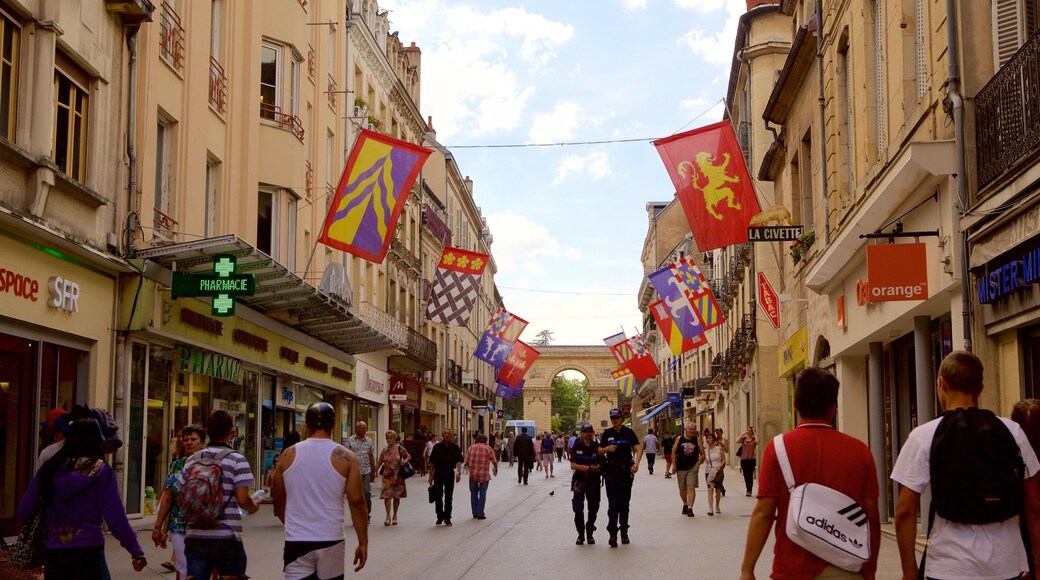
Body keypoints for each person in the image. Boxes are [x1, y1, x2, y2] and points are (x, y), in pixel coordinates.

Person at [892, 351, 1040, 580]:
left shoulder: (924, 436)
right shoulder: (1013, 432)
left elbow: (904, 511)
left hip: (950, 567)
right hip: (1006, 565)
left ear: (941, 384)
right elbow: (1034, 507)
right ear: (981, 387)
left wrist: (909, 571)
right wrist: (1037, 563)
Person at [740, 368, 880, 580]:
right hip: (846, 568)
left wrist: (747, 569)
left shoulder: (778, 448)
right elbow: (872, 519)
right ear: (833, 407)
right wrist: (869, 571)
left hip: (791, 569)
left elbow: (764, 514)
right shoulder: (861, 452)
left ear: (795, 405)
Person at [19, 416, 147, 578]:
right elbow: (115, 517)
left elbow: (24, 510)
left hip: (54, 550)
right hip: (89, 549)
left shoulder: (49, 469)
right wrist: (135, 550)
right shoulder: (101, 472)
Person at [271, 402, 368, 577]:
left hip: (297, 540)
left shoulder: (287, 456)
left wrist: (293, 525)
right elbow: (357, 502)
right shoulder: (347, 458)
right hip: (331, 538)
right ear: (333, 425)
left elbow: (278, 499)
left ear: (306, 425)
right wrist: (363, 542)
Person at [176, 410, 261, 579]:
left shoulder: (192, 460)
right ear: (232, 432)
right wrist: (254, 506)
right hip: (227, 536)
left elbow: (180, 498)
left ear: (207, 431)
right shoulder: (237, 460)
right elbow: (243, 500)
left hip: (195, 535)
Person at [152, 424, 206, 579]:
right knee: (183, 567)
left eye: (193, 439)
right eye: (186, 439)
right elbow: (168, 499)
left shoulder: (210, 465)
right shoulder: (176, 465)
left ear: (202, 442)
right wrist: (158, 528)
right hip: (178, 525)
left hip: (204, 527)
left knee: (201, 568)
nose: (189, 442)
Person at [598, 408, 642, 548]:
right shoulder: (607, 433)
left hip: (625, 472)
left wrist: (636, 464)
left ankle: (624, 532)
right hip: (611, 472)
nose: (614, 420)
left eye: (617, 417)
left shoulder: (628, 432)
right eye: (612, 418)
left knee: (624, 504)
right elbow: (598, 451)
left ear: (622, 419)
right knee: (613, 504)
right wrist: (606, 449)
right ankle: (613, 534)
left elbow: (638, 448)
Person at [570, 423, 602, 545]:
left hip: (593, 481)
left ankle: (590, 532)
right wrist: (584, 467)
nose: (588, 434)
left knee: (593, 508)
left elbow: (602, 466)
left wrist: (593, 468)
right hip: (580, 480)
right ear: (582, 433)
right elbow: (572, 465)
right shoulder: (577, 446)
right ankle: (580, 535)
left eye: (590, 432)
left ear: (593, 433)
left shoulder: (597, 447)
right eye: (585, 432)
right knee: (578, 509)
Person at [428, 428, 463, 526]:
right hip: (438, 473)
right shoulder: (437, 447)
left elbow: (458, 461)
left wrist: (458, 473)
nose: (446, 435)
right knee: (438, 495)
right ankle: (439, 516)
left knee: (448, 497)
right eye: (445, 433)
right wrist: (430, 475)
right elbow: (432, 462)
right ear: (442, 435)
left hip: (449, 473)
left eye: (448, 433)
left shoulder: (455, 448)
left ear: (451, 436)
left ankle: (447, 518)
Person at [345, 421, 376, 523]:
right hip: (353, 472)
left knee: (366, 492)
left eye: (365, 428)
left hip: (366, 471)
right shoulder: (350, 440)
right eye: (363, 428)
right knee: (355, 495)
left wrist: (373, 471)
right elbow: (346, 456)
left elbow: (371, 456)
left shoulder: (369, 441)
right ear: (357, 429)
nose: (365, 430)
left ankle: (367, 514)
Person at [377, 430, 410, 526]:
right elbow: (379, 463)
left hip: (398, 476)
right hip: (387, 477)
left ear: (395, 438)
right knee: (387, 496)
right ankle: (388, 516)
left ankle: (395, 515)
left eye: (391, 438)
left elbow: (408, 456)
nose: (389, 440)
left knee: (396, 496)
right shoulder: (384, 450)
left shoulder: (400, 448)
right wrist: (372, 471)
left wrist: (404, 461)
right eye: (387, 438)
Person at [464, 433, 498, 519]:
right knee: (483, 493)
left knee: (473, 493)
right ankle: (480, 513)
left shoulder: (471, 448)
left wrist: (470, 468)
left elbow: (466, 461)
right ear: (486, 441)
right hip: (484, 474)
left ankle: (475, 512)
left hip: (473, 474)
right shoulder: (488, 448)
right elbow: (494, 461)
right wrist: (496, 469)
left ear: (477, 440)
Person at [671, 422, 701, 516]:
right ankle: (685, 503)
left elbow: (702, 453)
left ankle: (690, 508)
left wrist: (699, 462)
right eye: (690, 429)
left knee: (691, 487)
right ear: (685, 429)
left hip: (693, 467)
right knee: (682, 489)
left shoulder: (697, 440)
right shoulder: (679, 439)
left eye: (693, 429)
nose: (692, 431)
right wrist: (674, 465)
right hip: (681, 467)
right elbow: (673, 452)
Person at [702, 432, 725, 515]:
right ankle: (710, 509)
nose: (708, 440)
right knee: (710, 490)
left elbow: (724, 459)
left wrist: (720, 466)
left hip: (718, 471)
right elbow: (701, 460)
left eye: (710, 438)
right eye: (707, 438)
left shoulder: (719, 449)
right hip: (709, 472)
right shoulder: (705, 451)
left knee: (718, 490)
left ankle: (717, 506)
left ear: (713, 439)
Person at [736, 425, 759, 497]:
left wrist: (754, 432)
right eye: (748, 430)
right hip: (743, 460)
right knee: (745, 475)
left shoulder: (754, 439)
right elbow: (737, 441)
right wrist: (742, 434)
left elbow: (757, 441)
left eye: (750, 431)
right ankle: (747, 488)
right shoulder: (744, 439)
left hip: (751, 459)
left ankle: (749, 490)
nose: (748, 432)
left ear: (752, 432)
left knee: (750, 475)